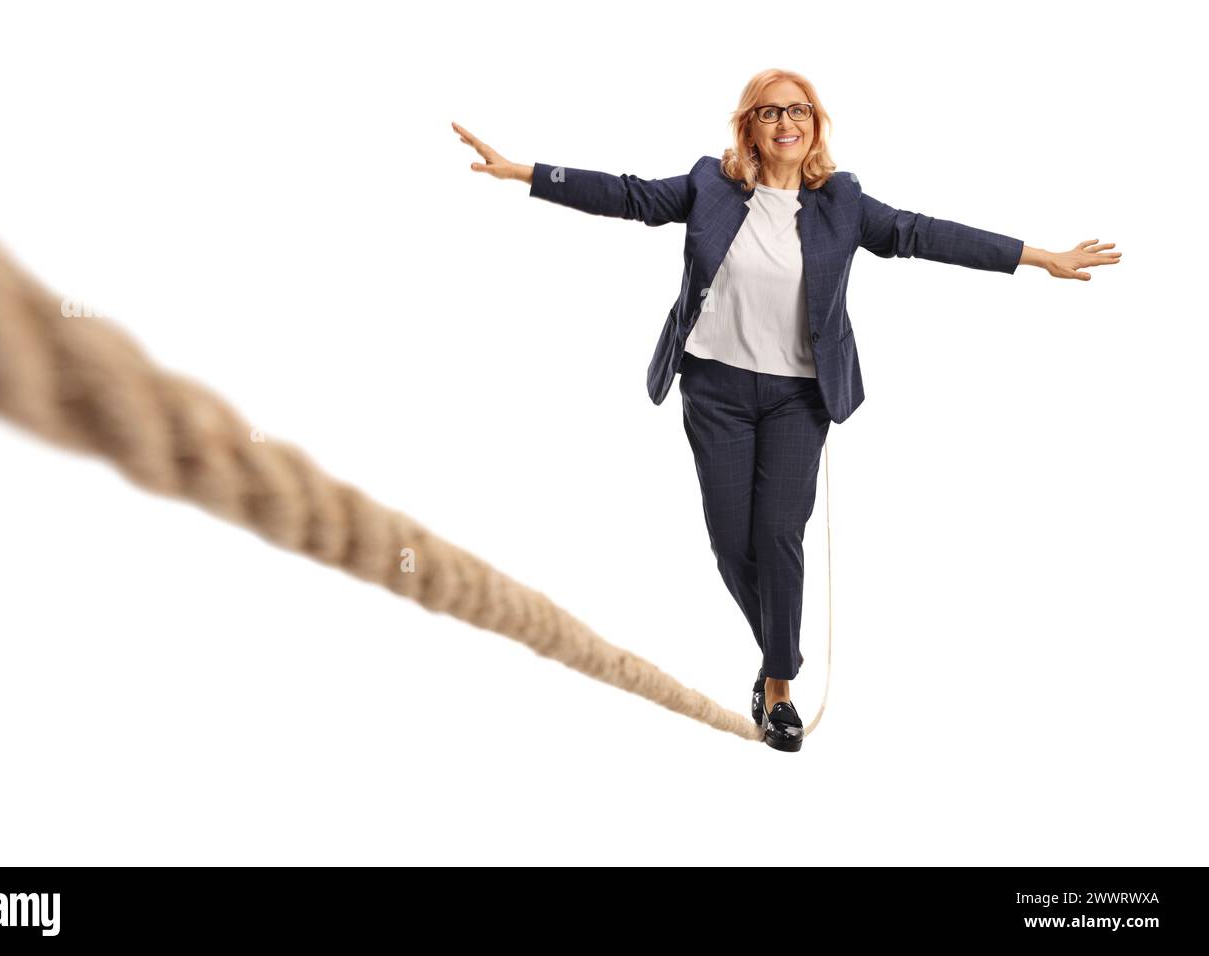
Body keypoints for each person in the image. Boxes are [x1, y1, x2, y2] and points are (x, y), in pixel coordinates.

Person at [452, 69, 1121, 753]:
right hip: (716, 391)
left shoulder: (844, 201)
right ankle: (784, 652)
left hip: (799, 397)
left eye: (798, 111)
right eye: (769, 113)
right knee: (730, 545)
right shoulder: (710, 185)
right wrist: (526, 172)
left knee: (778, 537)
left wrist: (1037, 258)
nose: (785, 123)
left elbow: (925, 233)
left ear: (815, 124)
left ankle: (777, 689)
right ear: (751, 126)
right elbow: (628, 196)